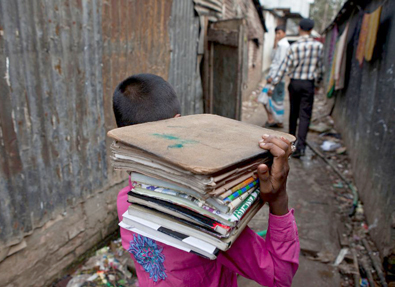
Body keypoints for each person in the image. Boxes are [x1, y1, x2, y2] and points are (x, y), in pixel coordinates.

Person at [114, 73, 299, 287]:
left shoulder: (125, 199)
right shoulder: (208, 220)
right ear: (178, 123)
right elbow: (279, 276)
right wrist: (278, 200)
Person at [269, 18, 324, 158]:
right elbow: (321, 69)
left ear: (299, 28)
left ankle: (291, 144)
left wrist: (273, 84)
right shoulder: (318, 46)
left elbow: (283, 68)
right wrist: (317, 84)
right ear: (311, 30)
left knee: (293, 113)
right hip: (308, 84)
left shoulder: (293, 47)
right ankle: (301, 148)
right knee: (305, 115)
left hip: (295, 83)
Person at [264, 25, 290, 128]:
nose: (277, 35)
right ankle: (273, 119)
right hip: (274, 76)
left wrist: (274, 79)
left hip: (277, 78)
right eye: (276, 33)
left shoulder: (284, 46)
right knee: (269, 99)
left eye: (279, 33)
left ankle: (278, 121)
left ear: (284, 33)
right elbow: (273, 58)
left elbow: (281, 64)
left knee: (276, 100)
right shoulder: (279, 45)